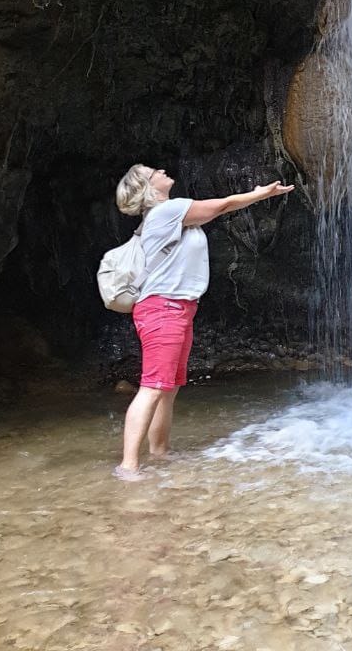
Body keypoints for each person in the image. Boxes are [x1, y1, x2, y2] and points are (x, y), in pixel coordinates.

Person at [112, 163, 294, 480]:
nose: (161, 169)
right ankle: (128, 466)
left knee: (167, 389)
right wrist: (259, 194)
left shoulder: (168, 215)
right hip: (163, 309)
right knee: (153, 387)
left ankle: (160, 452)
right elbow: (220, 207)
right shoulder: (167, 211)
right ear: (147, 186)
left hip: (178, 308)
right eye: (152, 170)